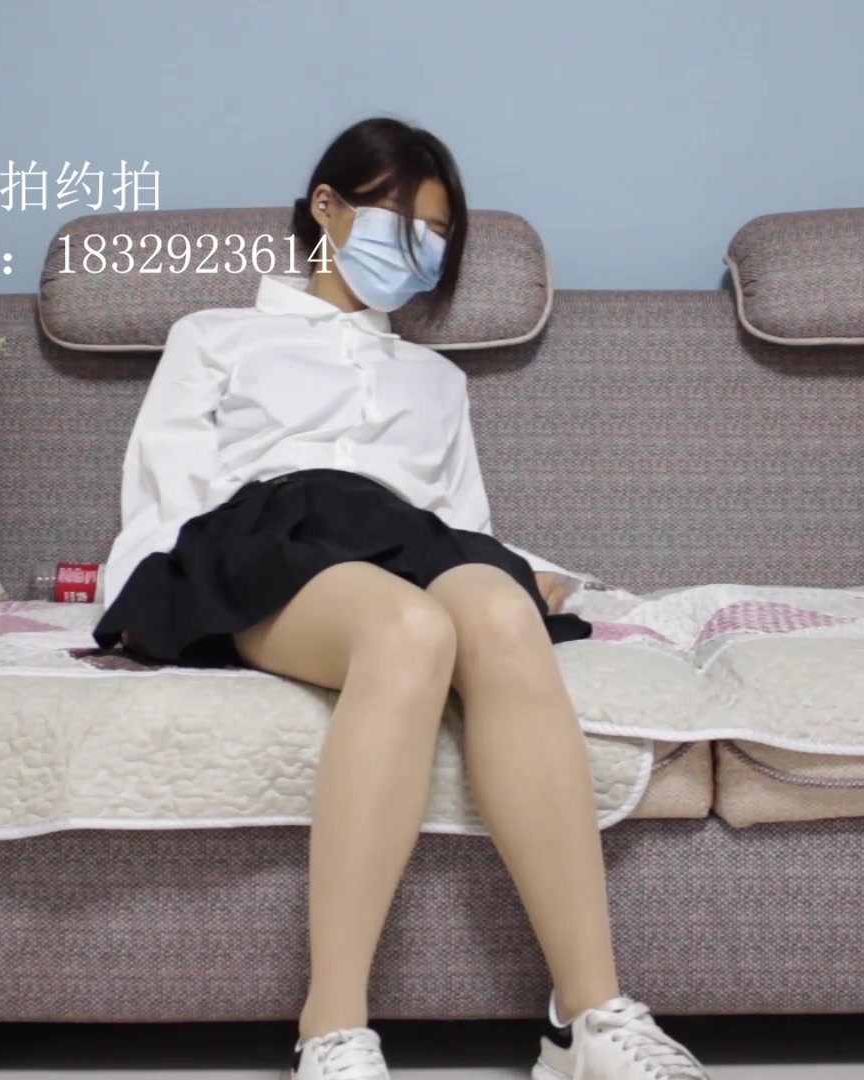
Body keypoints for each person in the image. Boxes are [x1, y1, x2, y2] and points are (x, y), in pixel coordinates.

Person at [93, 117, 710, 1080]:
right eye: (398, 219)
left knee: (499, 612)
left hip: (408, 539)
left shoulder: (438, 380)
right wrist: (152, 604)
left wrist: (529, 572)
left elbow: (457, 521)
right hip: (268, 534)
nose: (418, 247)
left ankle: (587, 1021)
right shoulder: (217, 336)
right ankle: (333, 1026)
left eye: (436, 234)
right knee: (409, 630)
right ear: (326, 207)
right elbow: (167, 496)